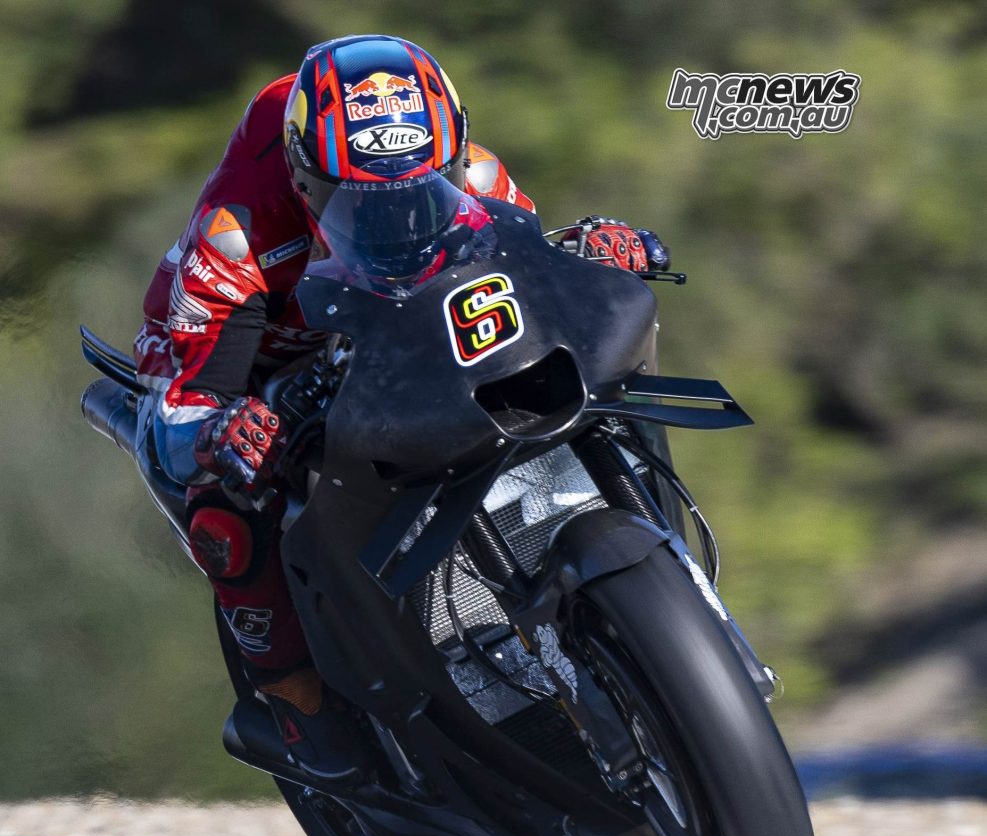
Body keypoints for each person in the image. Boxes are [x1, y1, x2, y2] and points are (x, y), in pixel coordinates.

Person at [134, 34, 667, 782]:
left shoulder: (477, 171)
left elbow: (529, 273)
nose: (391, 218)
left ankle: (637, 545)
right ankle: (298, 707)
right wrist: (224, 428)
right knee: (224, 507)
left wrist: (589, 249)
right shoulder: (235, 237)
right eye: (355, 200)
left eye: (422, 190)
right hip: (263, 355)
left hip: (402, 323)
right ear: (303, 175)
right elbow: (176, 417)